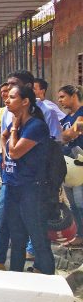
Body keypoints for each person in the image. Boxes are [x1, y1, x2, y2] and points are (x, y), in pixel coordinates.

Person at [0, 84, 54, 274]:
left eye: (12, 97)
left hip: (31, 189)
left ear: (25, 102)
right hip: (12, 186)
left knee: (38, 238)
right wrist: (4, 157)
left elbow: (15, 152)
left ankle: (48, 279)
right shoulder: (15, 124)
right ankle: (16, 279)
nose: (7, 100)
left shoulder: (35, 126)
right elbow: (3, 138)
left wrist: (14, 129)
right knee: (16, 239)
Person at [58, 84, 83, 248]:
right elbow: (62, 135)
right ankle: (80, 235)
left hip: (80, 165)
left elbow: (70, 134)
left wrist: (63, 135)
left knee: (80, 203)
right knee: (73, 204)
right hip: (68, 166)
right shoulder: (67, 118)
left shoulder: (81, 114)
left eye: (62, 97)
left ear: (74, 95)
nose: (60, 100)